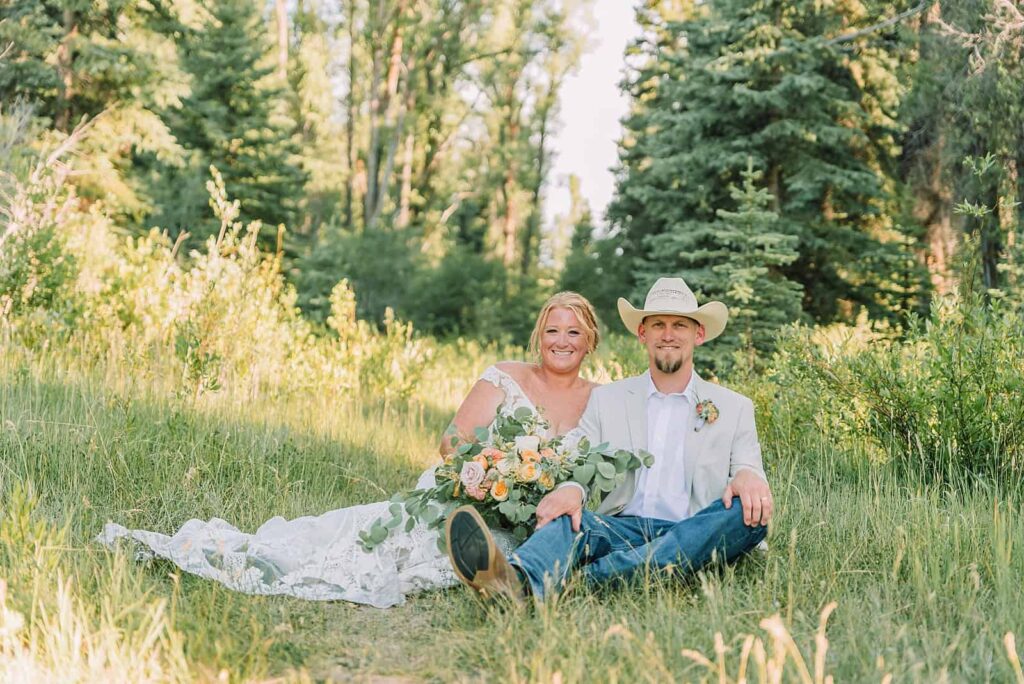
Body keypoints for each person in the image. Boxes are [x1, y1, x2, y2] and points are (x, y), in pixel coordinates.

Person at [98, 292, 601, 608]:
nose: (561, 340)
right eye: (552, 330)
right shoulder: (506, 376)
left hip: (523, 518)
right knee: (376, 546)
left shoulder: (600, 399)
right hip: (467, 495)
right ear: (539, 334)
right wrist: (491, 469)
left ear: (590, 340)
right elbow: (452, 439)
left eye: (573, 331)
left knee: (489, 558)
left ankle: (494, 572)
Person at [445, 277, 772, 602]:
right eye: (658, 324)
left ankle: (581, 580)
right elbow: (579, 463)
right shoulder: (608, 399)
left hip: (697, 530)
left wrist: (748, 476)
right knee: (568, 518)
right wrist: (570, 490)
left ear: (698, 334)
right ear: (643, 334)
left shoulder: (735, 406)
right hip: (620, 529)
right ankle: (516, 579)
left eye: (680, 325)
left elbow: (748, 468)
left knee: (748, 516)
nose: (668, 335)